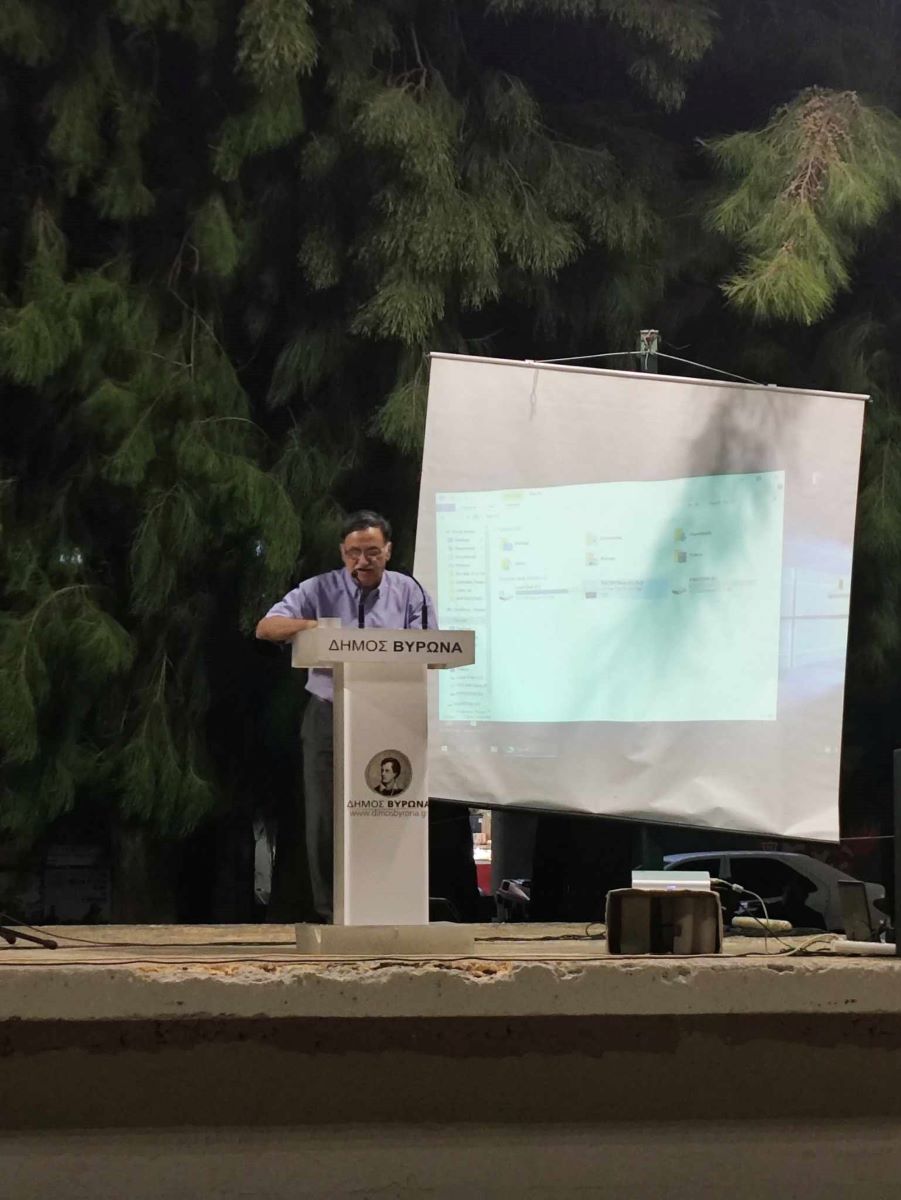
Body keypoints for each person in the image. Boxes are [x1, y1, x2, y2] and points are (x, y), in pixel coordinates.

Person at [255, 510, 433, 922]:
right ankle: (330, 912)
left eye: (372, 552)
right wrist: (315, 627)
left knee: (391, 807)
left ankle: (388, 904)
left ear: (388, 551)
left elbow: (430, 645)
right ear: (342, 553)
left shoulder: (410, 592)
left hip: (392, 715)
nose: (362, 561)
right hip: (328, 713)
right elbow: (266, 627)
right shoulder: (319, 588)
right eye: (353, 553)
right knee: (324, 815)